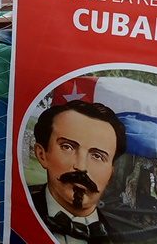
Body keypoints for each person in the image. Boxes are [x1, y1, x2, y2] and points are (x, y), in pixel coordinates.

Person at [30, 99, 127, 244]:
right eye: (68, 147)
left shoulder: (117, 240)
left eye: (97, 156)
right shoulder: (14, 213)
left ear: (110, 174)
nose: (81, 167)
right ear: (42, 154)